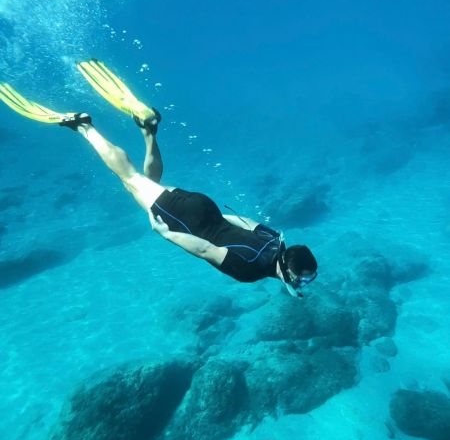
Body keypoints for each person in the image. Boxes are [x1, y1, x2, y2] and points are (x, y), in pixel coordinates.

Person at [0, 59, 318, 296]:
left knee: (144, 183)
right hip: (185, 222)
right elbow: (204, 250)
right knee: (129, 178)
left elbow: (243, 221)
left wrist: (214, 218)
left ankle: (149, 131)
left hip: (203, 208)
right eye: (303, 280)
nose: (303, 284)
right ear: (289, 273)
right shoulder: (251, 271)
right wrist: (167, 234)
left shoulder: (277, 238)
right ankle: (83, 126)